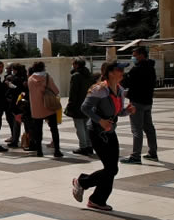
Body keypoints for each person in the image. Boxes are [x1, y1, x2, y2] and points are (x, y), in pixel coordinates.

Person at [71, 62, 135, 211]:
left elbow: (117, 112)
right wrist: (100, 120)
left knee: (112, 169)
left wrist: (127, 111)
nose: (122, 72)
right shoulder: (99, 89)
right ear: (110, 73)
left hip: (110, 132)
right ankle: (83, 183)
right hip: (97, 132)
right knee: (111, 169)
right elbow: (85, 108)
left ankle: (97, 199)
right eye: (119, 70)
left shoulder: (119, 89)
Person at [121, 47, 159, 164]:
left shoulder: (137, 70)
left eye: (135, 55)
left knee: (137, 129)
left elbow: (126, 82)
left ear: (141, 55)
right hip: (148, 101)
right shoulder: (151, 68)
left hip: (137, 102)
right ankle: (153, 152)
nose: (134, 58)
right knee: (149, 128)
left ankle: (135, 156)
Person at [28, 61, 63, 158]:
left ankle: (39, 151)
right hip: (49, 107)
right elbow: (56, 91)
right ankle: (57, 151)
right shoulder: (47, 77)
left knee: (38, 130)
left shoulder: (30, 79)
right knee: (54, 129)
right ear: (43, 67)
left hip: (36, 109)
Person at [66, 58, 94, 156]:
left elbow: (73, 92)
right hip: (88, 103)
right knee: (87, 126)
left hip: (78, 105)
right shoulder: (89, 75)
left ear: (77, 65)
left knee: (80, 127)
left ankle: (83, 147)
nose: (72, 65)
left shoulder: (76, 76)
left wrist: (70, 105)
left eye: (73, 63)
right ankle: (90, 146)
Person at [4, 63, 26, 148]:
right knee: (26, 123)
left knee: (16, 122)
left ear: (15, 70)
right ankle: (28, 140)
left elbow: (15, 89)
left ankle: (15, 141)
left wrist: (9, 85)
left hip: (16, 103)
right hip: (24, 102)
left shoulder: (16, 78)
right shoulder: (25, 77)